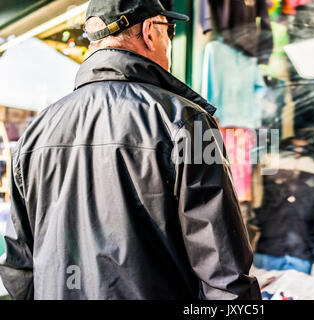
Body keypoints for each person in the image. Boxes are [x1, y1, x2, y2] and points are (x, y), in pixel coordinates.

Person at [0, 0, 261, 300]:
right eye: (170, 30)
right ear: (150, 31)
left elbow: (19, 269)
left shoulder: (35, 135)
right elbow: (225, 277)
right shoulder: (186, 121)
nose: (170, 42)